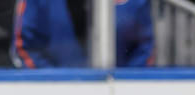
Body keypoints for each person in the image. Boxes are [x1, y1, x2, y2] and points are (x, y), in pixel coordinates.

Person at [12, 0, 154, 68]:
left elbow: (145, 47)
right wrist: (55, 84)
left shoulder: (133, 3)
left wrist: (128, 84)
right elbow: (25, 46)